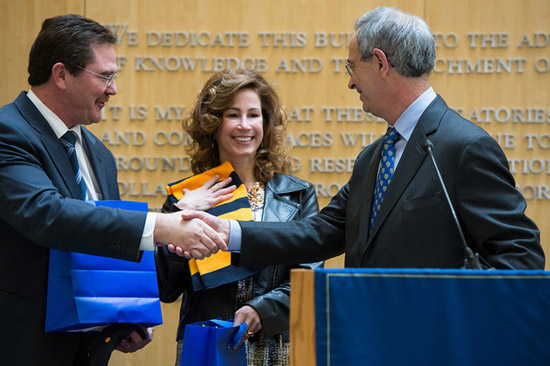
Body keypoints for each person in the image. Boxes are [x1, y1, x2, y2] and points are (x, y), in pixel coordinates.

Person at [178, 7, 544, 270]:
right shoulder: (374, 158)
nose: (350, 81)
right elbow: (320, 233)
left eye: (352, 67)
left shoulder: (464, 148)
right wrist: (228, 230)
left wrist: (450, 307)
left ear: (381, 63)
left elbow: (521, 258)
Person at [0, 14, 224, 366]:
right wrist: (161, 225)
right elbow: (47, 214)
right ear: (61, 74)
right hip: (24, 347)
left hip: (88, 352)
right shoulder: (8, 132)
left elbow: (101, 245)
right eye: (104, 76)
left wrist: (124, 317)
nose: (113, 89)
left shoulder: (98, 154)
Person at [156, 68, 320, 365]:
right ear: (214, 124)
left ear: (265, 123)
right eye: (233, 115)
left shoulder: (299, 195)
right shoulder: (187, 197)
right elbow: (165, 289)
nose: (245, 125)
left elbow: (308, 278)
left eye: (253, 115)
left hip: (272, 345)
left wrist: (261, 310)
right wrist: (180, 216)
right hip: (208, 343)